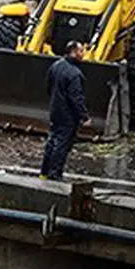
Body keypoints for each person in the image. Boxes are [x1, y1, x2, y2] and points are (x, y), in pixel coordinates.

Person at [39, 40, 92, 181]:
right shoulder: (74, 74)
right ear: (74, 52)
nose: (83, 54)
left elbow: (48, 87)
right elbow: (76, 97)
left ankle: (44, 171)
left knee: (52, 140)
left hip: (55, 110)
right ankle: (55, 173)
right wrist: (84, 116)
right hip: (67, 114)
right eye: (81, 51)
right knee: (62, 144)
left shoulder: (55, 66)